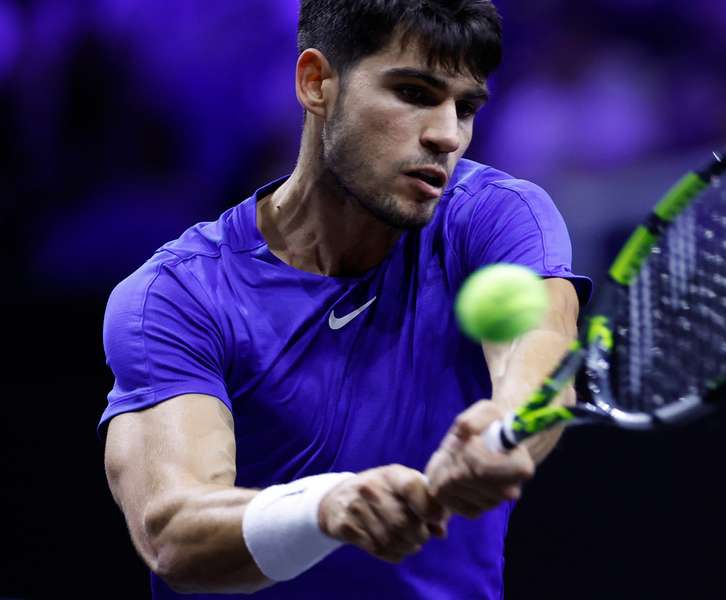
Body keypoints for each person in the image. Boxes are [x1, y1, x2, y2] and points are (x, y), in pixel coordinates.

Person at [99, 1, 592, 598]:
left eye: (465, 108)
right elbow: (174, 535)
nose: (445, 135)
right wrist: (324, 508)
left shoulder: (496, 215)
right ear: (316, 83)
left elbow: (541, 351)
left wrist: (505, 428)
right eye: (413, 92)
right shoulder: (176, 297)